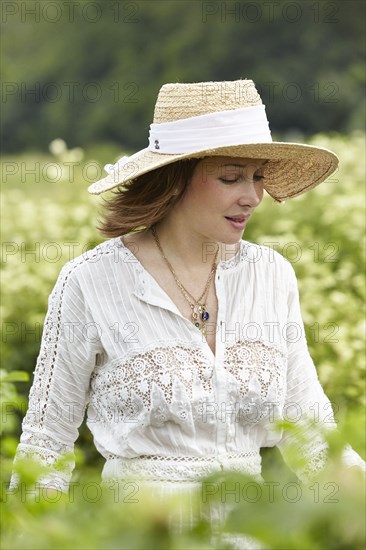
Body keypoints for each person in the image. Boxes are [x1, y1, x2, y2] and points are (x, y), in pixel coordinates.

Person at [11, 80, 364, 545]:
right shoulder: (91, 282)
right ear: (175, 176)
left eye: (257, 177)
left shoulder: (271, 274)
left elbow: (310, 428)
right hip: (139, 535)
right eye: (231, 177)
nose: (253, 197)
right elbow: (46, 443)